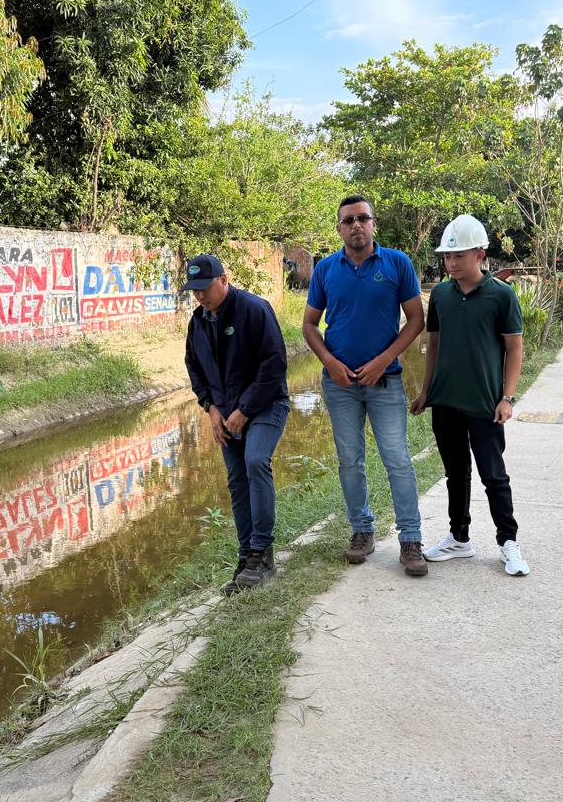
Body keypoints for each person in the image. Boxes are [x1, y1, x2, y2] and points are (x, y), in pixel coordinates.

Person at [304, 194, 428, 577]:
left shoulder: (396, 263)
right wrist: (330, 363)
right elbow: (309, 326)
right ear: (339, 228)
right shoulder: (326, 269)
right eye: (348, 220)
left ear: (374, 224)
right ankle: (362, 531)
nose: (356, 225)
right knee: (350, 462)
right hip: (339, 385)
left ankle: (411, 539)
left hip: (385, 380)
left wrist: (381, 361)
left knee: (397, 460)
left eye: (363, 218)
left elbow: (415, 320)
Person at [411, 214, 531, 576]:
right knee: (455, 473)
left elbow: (515, 350)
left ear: (479, 254)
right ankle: (459, 538)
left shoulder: (501, 296)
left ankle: (508, 542)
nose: (450, 263)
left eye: (457, 256)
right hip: (446, 401)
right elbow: (434, 344)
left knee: (493, 475)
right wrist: (426, 390)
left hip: (484, 404)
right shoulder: (442, 295)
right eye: (447, 257)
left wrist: (507, 398)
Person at [183, 253, 290, 595]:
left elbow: (274, 364)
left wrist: (244, 409)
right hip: (226, 413)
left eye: (205, 288)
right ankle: (246, 558)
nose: (200, 296)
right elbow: (195, 369)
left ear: (224, 280)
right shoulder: (198, 322)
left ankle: (263, 553)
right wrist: (211, 408)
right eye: (194, 290)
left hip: (266, 405)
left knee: (256, 462)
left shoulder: (254, 309)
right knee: (236, 480)